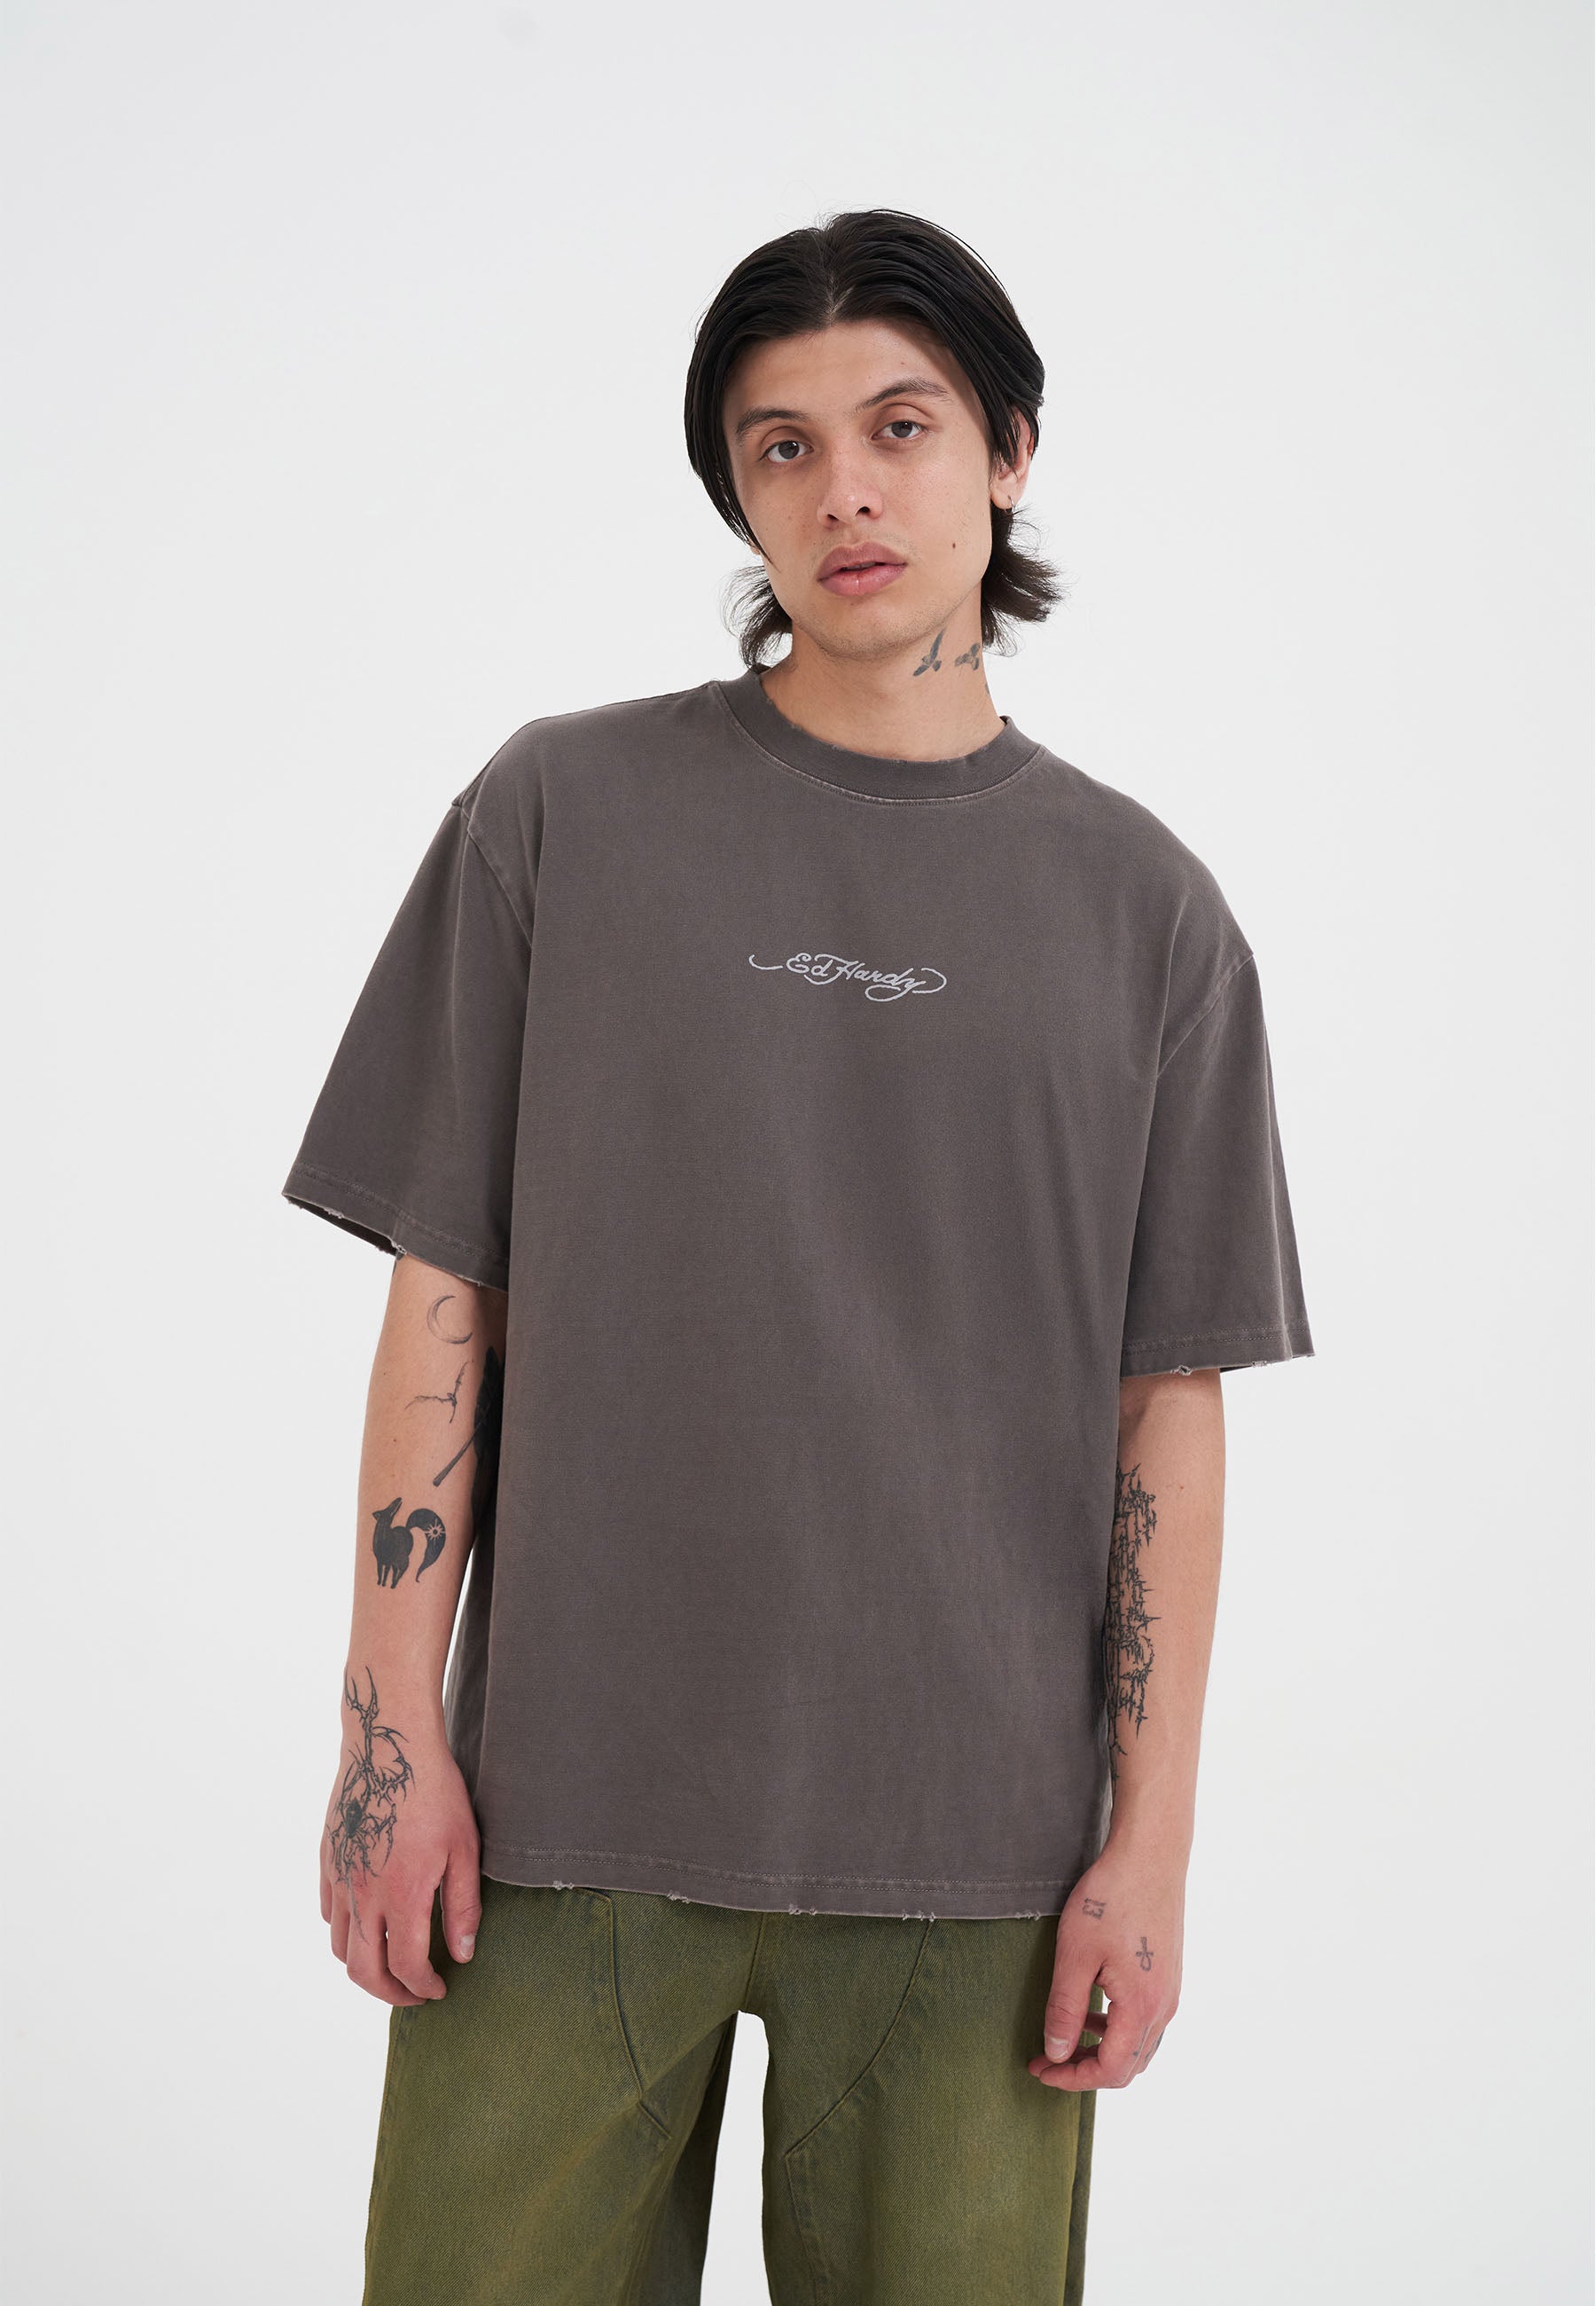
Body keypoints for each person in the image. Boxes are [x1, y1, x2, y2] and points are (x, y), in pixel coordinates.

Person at [282, 208, 1314, 2304]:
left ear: (1008, 451)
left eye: (900, 426)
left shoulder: (1155, 919)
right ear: (737, 496)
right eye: (782, 446)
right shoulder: (558, 814)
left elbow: (1167, 1411)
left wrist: (1149, 1847)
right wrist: (390, 1740)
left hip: (976, 1860)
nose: (844, 489)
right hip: (557, 1824)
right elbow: (446, 1292)